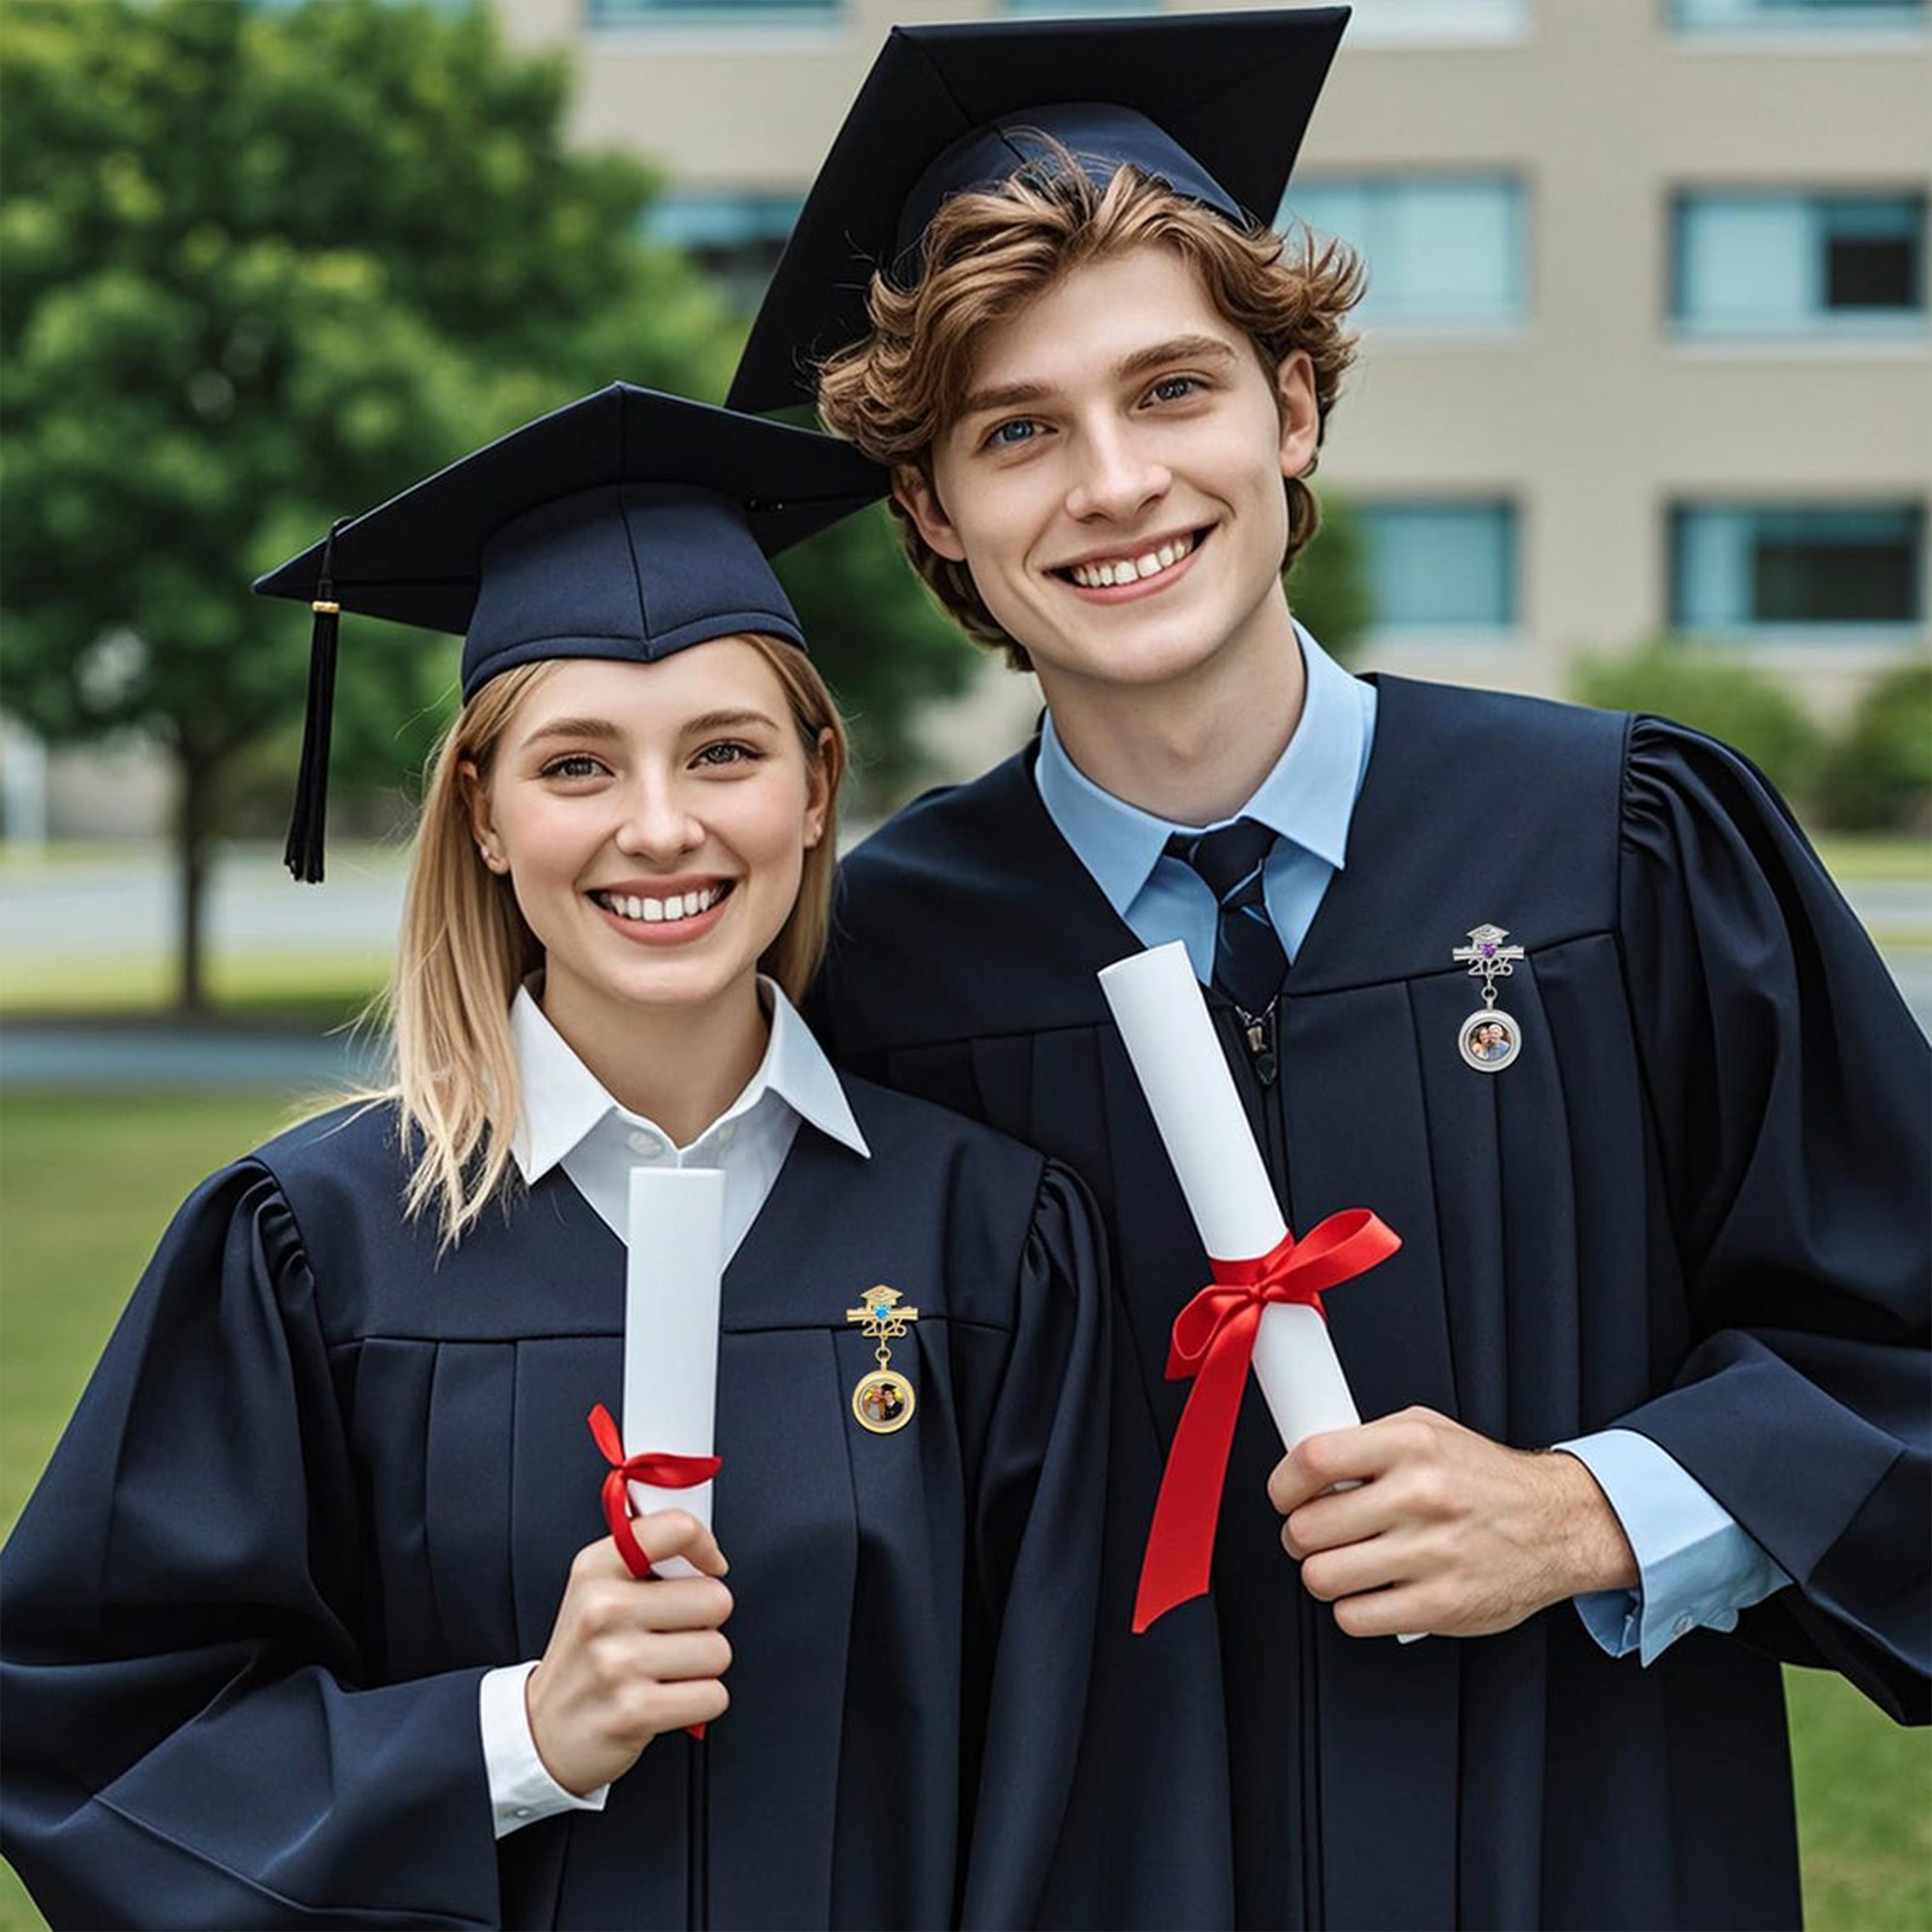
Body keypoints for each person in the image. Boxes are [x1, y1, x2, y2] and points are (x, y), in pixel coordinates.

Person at [728, 14, 1932, 1929]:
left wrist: (1599, 1506)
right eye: (1017, 428)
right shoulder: (871, 974)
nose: (1113, 483)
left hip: (1588, 1869)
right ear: (933, 514)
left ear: (1292, 410)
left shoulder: (1620, 850)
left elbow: (1904, 1352)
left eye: (1174, 389)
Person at [0, 384, 1160, 1930]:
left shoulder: (992, 1244)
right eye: (577, 766)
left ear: (817, 786)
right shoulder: (314, 1248)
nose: (661, 827)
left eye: (726, 752)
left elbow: (1090, 1788)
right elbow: (93, 1747)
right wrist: (511, 1740)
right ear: (480, 816)